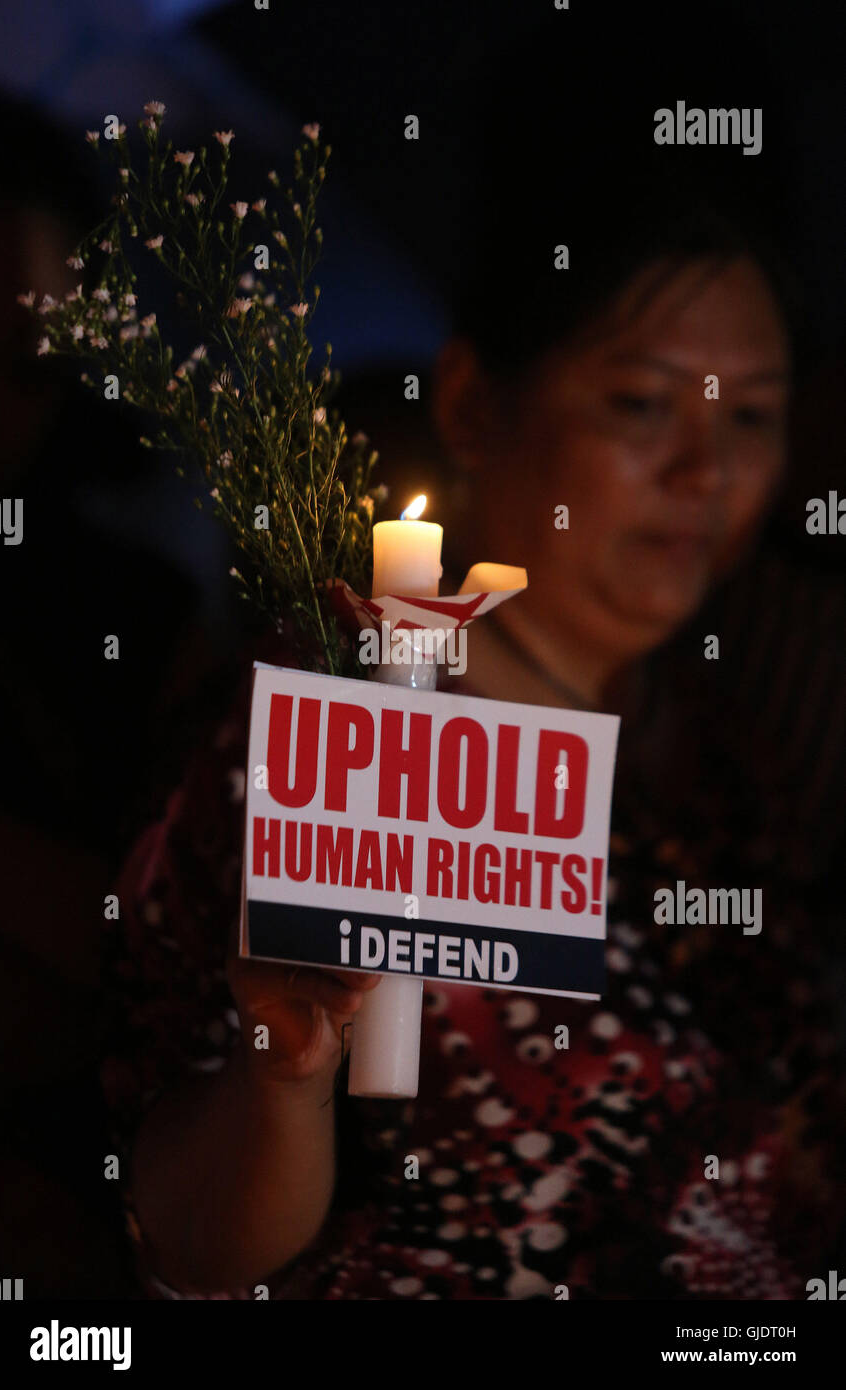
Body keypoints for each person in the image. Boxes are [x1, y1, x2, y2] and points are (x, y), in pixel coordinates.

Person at [100, 40, 846, 1299]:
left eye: (750, 417)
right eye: (639, 404)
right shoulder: (321, 728)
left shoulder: (731, 751)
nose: (701, 473)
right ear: (471, 404)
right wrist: (283, 1075)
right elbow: (179, 1238)